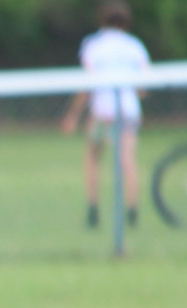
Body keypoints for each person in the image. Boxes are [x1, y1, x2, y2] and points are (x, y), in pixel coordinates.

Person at [61, 0, 151, 228]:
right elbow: (143, 88)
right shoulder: (135, 46)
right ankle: (132, 209)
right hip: (128, 111)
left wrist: (73, 115)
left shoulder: (93, 45)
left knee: (93, 158)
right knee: (128, 160)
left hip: (102, 111)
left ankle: (93, 207)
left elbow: (87, 84)